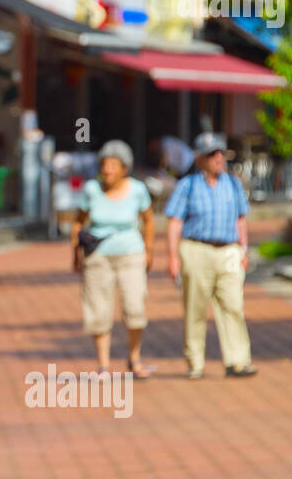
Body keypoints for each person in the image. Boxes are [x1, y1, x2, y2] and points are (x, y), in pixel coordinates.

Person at [164, 133, 257, 379]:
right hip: (197, 249)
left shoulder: (233, 183)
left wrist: (244, 249)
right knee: (195, 308)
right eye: (211, 154)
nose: (218, 158)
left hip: (228, 250)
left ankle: (237, 361)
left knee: (233, 305)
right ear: (199, 159)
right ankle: (195, 363)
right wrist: (173, 256)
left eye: (220, 153)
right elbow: (174, 222)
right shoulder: (188, 185)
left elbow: (241, 219)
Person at [72, 140, 155, 377]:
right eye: (104, 164)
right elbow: (78, 221)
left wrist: (149, 250)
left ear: (124, 168)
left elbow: (149, 221)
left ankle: (134, 358)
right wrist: (75, 253)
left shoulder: (137, 190)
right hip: (98, 256)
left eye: (113, 165)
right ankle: (103, 365)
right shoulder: (92, 189)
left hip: (131, 253)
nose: (107, 169)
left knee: (135, 306)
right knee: (99, 309)